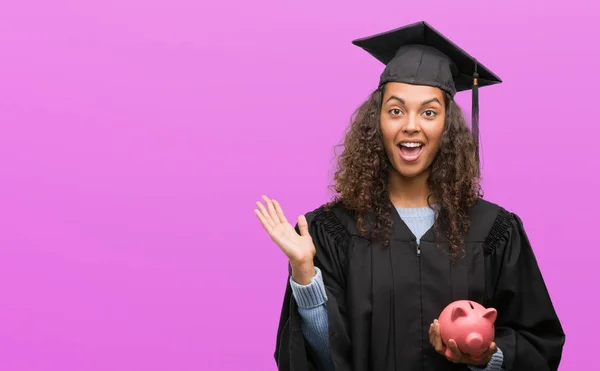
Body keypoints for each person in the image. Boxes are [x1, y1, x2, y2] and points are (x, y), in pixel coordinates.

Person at [254, 21, 565, 371]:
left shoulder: (494, 231)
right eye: (396, 110)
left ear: (448, 127)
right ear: (377, 124)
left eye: (429, 112)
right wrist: (305, 275)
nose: (411, 125)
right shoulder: (331, 232)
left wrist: (484, 355)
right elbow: (324, 361)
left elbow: (538, 343)